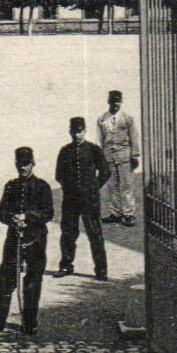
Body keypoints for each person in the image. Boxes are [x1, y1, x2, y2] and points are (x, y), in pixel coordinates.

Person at [0, 147, 54, 337]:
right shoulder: (10, 186)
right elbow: (1, 213)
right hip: (14, 238)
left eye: (27, 164)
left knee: (32, 281)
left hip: (36, 239)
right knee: (6, 279)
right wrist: (13, 218)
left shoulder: (42, 186)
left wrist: (28, 216)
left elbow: (48, 213)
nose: (23, 168)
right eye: (20, 164)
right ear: (16, 165)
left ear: (33, 164)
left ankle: (30, 323)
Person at [55, 116, 112, 280]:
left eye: (80, 131)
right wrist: (69, 188)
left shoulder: (94, 149)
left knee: (94, 234)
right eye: (74, 131)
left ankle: (101, 270)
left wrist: (93, 188)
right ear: (70, 132)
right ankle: (66, 266)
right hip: (71, 200)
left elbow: (105, 172)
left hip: (90, 200)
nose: (77, 135)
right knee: (68, 234)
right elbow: (59, 175)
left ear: (85, 131)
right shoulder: (65, 151)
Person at [98, 89, 140, 227]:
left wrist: (134, 155)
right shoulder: (102, 119)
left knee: (126, 186)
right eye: (113, 101)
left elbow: (134, 136)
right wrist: (101, 158)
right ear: (108, 101)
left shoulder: (128, 118)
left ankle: (129, 214)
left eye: (118, 101)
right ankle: (115, 213)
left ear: (121, 102)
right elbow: (101, 139)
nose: (115, 104)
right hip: (109, 156)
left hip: (124, 156)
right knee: (113, 185)